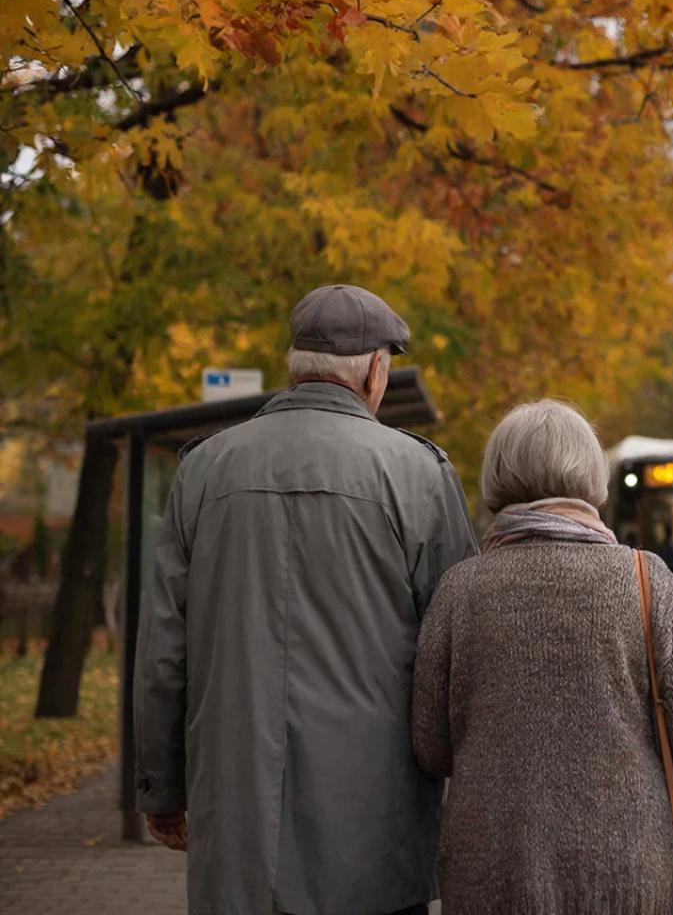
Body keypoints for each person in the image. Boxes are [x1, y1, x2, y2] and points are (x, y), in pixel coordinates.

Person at [134, 285, 478, 915]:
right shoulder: (419, 474)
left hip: (236, 828)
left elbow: (165, 653)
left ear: (296, 363)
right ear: (376, 370)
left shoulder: (204, 471)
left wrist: (161, 786)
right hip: (377, 830)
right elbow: (461, 645)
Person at [412, 400, 673, 915]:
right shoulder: (646, 581)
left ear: (498, 476)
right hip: (627, 867)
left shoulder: (460, 590)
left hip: (490, 869)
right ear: (592, 476)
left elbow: (430, 745)